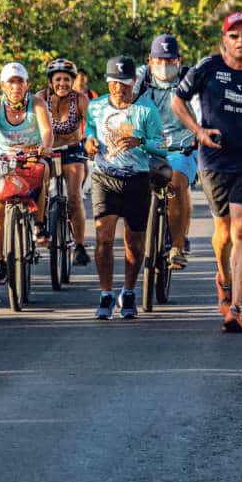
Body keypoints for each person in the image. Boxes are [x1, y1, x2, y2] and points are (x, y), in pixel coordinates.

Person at [172, 12, 242, 333]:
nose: (240, 42)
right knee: (222, 234)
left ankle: (235, 307)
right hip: (215, 159)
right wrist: (198, 131)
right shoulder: (208, 67)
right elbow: (178, 101)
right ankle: (222, 276)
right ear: (224, 40)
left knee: (241, 232)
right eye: (234, 36)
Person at [84, 56, 166, 320]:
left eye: (125, 83)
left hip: (137, 179)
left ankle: (129, 290)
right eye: (114, 82)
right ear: (108, 83)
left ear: (134, 82)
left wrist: (140, 141)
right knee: (103, 237)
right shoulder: (95, 106)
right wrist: (89, 141)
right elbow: (89, 131)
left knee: (134, 242)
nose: (120, 88)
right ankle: (106, 294)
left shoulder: (147, 110)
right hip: (104, 177)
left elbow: (160, 145)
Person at [0, 62, 53, 285]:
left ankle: (38, 224)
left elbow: (46, 130)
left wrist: (45, 146)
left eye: (20, 82)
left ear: (27, 85)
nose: (16, 86)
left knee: (42, 172)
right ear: (2, 85)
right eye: (11, 82)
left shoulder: (36, 103)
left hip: (32, 157)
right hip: (3, 161)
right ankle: (0, 260)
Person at [134, 35, 196, 270]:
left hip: (183, 147)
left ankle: (178, 247)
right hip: (148, 148)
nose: (164, 64)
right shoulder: (142, 80)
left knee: (176, 183)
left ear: (178, 60)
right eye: (159, 59)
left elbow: (201, 110)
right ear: (150, 60)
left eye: (169, 60)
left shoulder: (190, 81)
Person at [35, 58, 91, 267]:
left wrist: (93, 143)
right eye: (58, 79)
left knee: (75, 197)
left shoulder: (80, 99)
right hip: (46, 152)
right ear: (50, 81)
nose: (62, 83)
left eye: (67, 79)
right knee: (38, 183)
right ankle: (40, 226)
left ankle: (79, 246)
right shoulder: (40, 98)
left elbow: (92, 125)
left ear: (73, 81)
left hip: (72, 151)